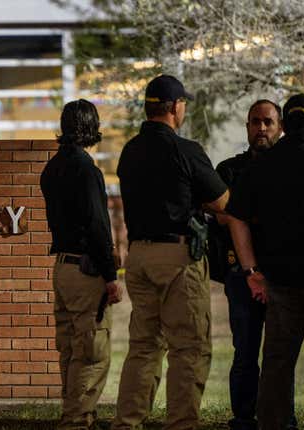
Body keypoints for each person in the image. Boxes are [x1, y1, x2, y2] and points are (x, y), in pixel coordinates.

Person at [114, 75, 229, 430]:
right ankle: (181, 423)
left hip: (139, 257)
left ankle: (127, 423)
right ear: (176, 107)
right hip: (177, 258)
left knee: (144, 347)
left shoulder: (129, 151)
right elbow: (223, 202)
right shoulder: (187, 150)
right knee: (189, 349)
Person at [226, 94, 304, 430]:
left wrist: (251, 270)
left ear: (284, 125)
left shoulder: (262, 166)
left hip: (280, 284)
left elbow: (236, 217)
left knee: (277, 365)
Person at [215, 100, 297, 430]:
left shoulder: (293, 169)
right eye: (255, 122)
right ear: (247, 126)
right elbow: (220, 215)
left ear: (280, 127)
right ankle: (244, 418)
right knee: (245, 351)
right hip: (242, 277)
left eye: (268, 122)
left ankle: (282, 418)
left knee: (281, 356)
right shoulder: (229, 170)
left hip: (283, 277)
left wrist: (244, 215)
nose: (261, 128)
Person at [40, 99, 123, 430]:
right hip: (86, 269)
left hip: (61, 267)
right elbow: (98, 226)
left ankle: (75, 413)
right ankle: (77, 420)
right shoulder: (87, 170)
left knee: (71, 349)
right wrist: (111, 276)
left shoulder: (52, 168)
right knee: (92, 349)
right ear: (91, 126)